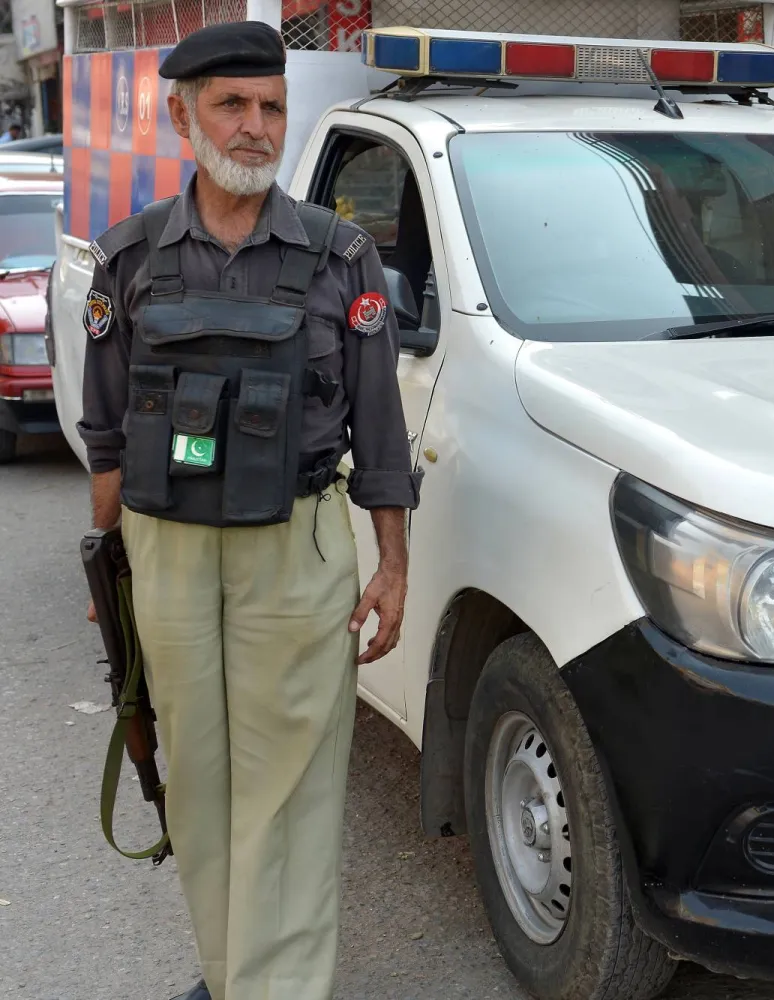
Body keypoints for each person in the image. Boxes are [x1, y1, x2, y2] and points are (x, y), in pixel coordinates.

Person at [76, 20, 420, 1000]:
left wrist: (392, 565)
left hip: (296, 550)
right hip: (168, 555)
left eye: (271, 104)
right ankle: (234, 979)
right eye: (233, 103)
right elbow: (106, 438)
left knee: (294, 796)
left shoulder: (341, 255)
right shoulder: (130, 260)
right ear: (183, 115)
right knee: (207, 788)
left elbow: (381, 435)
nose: (257, 124)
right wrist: (107, 573)